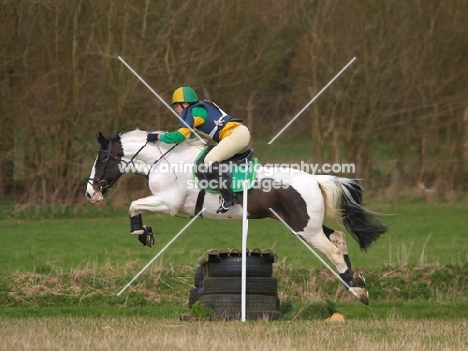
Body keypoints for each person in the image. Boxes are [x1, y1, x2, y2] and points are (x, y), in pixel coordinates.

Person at [146, 86, 250, 213]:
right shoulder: (201, 107)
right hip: (238, 134)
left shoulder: (193, 113)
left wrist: (157, 136)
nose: (176, 109)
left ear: (185, 104)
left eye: (177, 105)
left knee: (210, 160)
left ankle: (229, 197)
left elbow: (180, 136)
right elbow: (183, 134)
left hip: (236, 135)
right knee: (208, 155)